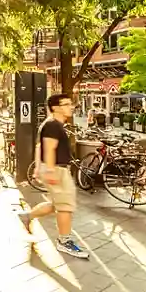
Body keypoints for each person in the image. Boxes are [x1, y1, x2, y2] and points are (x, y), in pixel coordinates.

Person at [19, 93, 89, 259]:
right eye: (66, 104)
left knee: (56, 204)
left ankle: (27, 216)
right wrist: (49, 171)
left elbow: (39, 146)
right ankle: (64, 241)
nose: (70, 107)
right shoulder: (52, 125)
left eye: (71, 104)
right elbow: (49, 148)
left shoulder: (53, 124)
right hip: (56, 169)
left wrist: (38, 168)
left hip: (54, 168)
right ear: (55, 107)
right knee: (65, 206)